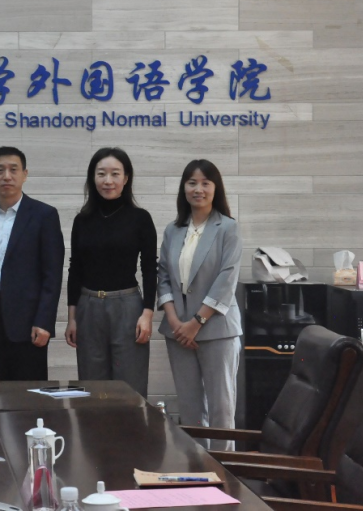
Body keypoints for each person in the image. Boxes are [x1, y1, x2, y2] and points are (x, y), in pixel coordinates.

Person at [157, 159, 242, 450]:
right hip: (178, 331)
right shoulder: (173, 230)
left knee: (221, 409)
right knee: (190, 409)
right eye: (192, 182)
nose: (198, 189)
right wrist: (174, 321)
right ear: (184, 188)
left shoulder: (228, 228)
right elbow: (163, 276)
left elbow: (227, 279)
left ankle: (225, 471)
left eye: (205, 183)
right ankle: (197, 469)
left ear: (216, 188)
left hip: (217, 330)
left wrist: (196, 323)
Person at [0, 146, 65, 381]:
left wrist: (44, 321)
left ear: (25, 174)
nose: (6, 176)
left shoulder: (44, 215)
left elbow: (52, 275)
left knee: (30, 394)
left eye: (13, 169)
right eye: (0, 170)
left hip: (29, 323)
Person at [65, 147, 157, 397]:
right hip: (88, 307)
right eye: (101, 174)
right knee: (91, 387)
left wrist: (147, 313)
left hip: (128, 307)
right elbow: (75, 268)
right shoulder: (82, 220)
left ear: (126, 178)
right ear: (92, 178)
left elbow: (150, 268)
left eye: (115, 174)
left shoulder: (140, 218)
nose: (108, 181)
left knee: (130, 386)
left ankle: (132, 425)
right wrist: (72, 317)